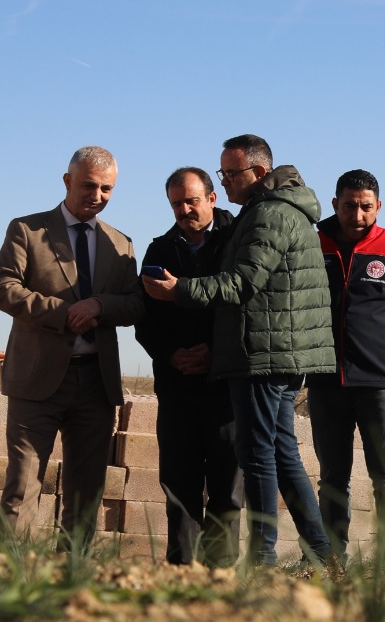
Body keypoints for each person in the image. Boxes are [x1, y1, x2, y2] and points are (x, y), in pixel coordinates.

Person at [143, 135, 334, 567]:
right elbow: (147, 318)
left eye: (230, 174)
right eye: (223, 172)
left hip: (261, 356)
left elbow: (243, 284)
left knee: (257, 459)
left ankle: (261, 559)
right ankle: (322, 553)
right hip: (248, 360)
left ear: (259, 173)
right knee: (279, 454)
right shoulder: (265, 213)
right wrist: (171, 353)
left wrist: (180, 291)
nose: (226, 180)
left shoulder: (265, 215)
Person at [0, 146, 143, 539]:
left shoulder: (121, 243)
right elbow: (2, 289)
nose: (98, 195)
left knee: (86, 494)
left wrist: (100, 306)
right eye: (89, 185)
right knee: (22, 488)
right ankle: (10, 573)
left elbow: (135, 304)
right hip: (35, 381)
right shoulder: (27, 230)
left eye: (107, 189)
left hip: (95, 383)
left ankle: (73, 573)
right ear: (67, 181)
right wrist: (63, 312)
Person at [307, 169, 385, 562]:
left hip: (379, 382)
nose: (357, 215)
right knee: (332, 477)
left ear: (378, 206)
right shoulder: (313, 244)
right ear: (335, 204)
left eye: (366, 207)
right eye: (349, 206)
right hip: (325, 379)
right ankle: (330, 558)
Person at [133, 168, 243, 567]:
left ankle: (221, 573)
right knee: (179, 487)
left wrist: (217, 352)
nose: (184, 210)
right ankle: (181, 572)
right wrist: (171, 355)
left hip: (226, 386)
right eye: (176, 204)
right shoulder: (160, 251)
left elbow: (247, 305)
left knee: (228, 488)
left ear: (212, 199)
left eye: (192, 201)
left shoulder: (237, 240)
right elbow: (144, 319)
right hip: (177, 386)